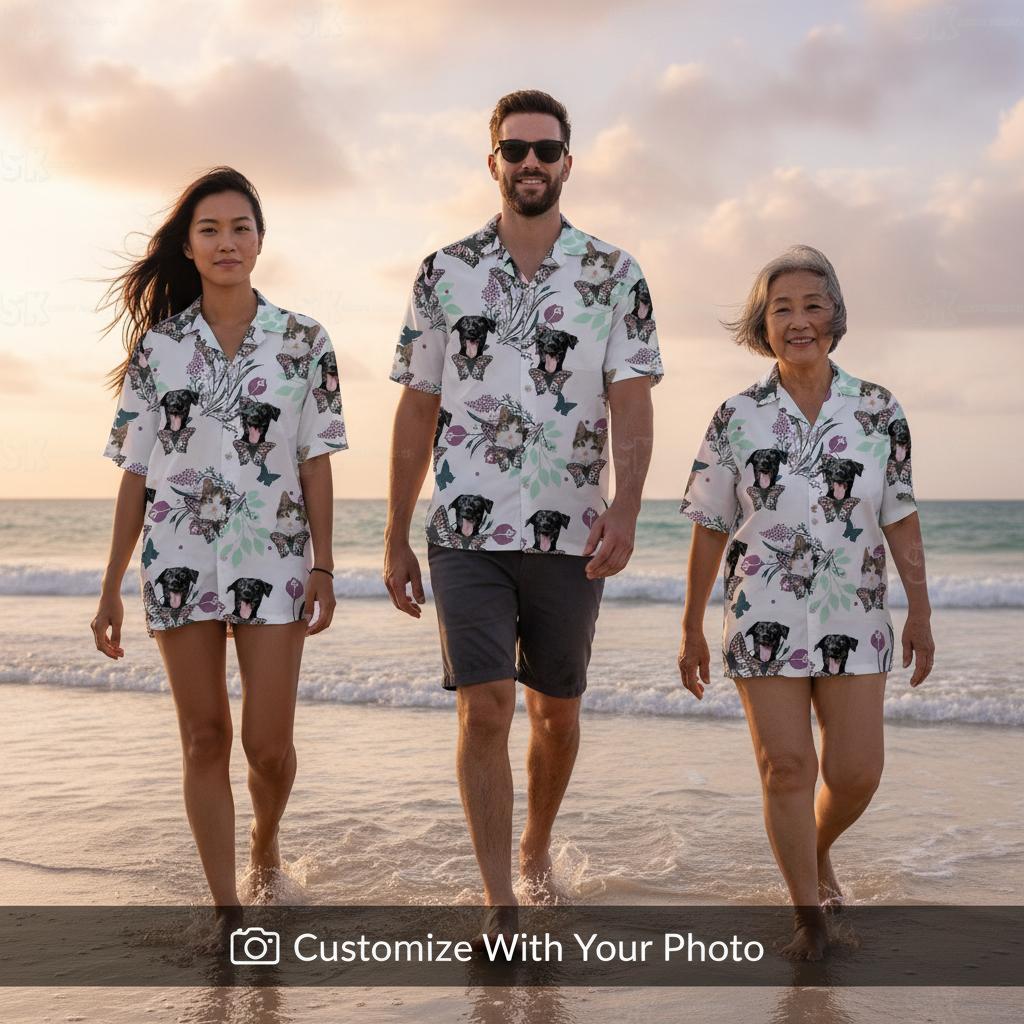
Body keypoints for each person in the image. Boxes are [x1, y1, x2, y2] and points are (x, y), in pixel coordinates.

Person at [384, 91, 664, 940]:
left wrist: (626, 509)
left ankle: (537, 844)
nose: (531, 163)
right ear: (494, 160)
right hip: (464, 533)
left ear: (568, 162)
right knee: (486, 709)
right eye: (516, 150)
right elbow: (416, 407)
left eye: (546, 150)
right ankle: (499, 894)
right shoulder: (444, 271)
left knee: (557, 712)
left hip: (569, 527)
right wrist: (395, 531)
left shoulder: (615, 275)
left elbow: (632, 401)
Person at [91, 167, 347, 927]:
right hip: (176, 562)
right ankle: (228, 911)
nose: (227, 242)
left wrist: (324, 563)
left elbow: (315, 460)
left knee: (269, 747)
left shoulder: (303, 342)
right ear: (190, 246)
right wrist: (109, 585)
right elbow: (136, 473)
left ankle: (265, 843)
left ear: (260, 241)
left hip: (274, 558)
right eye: (211, 230)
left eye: (241, 228)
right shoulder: (159, 349)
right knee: (206, 737)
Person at [677, 245, 934, 960]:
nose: (798, 321)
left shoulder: (879, 410)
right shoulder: (736, 416)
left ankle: (812, 851)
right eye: (782, 308)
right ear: (763, 324)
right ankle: (809, 917)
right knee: (786, 769)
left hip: (857, 612)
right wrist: (692, 626)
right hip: (761, 615)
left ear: (835, 316)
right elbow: (708, 526)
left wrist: (921, 608)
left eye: (812, 305)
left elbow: (901, 513)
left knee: (855, 773)